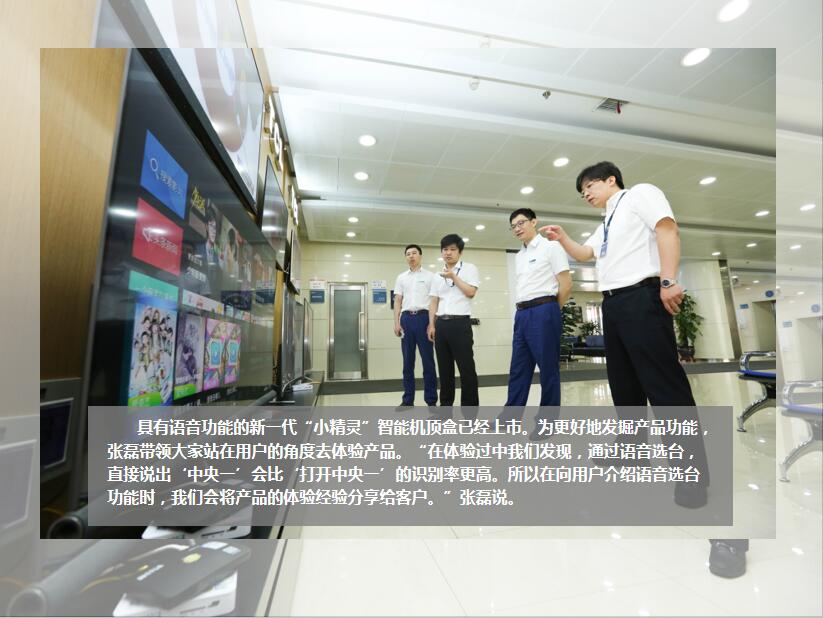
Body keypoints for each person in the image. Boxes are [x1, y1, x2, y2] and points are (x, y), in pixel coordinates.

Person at [541, 160, 747, 578]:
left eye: (589, 185)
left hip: (643, 297)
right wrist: (563, 238)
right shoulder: (606, 220)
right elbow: (586, 254)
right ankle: (631, 454)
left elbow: (667, 229)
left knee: (665, 389)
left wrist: (668, 280)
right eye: (581, 192)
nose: (586, 194)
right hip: (614, 304)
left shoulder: (640, 195)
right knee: (625, 387)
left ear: (611, 180)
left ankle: (691, 477)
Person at [502, 208, 571, 438]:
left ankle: (547, 423)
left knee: (548, 370)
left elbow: (566, 284)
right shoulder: (519, 256)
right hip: (522, 314)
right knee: (518, 369)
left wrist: (551, 310)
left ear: (534, 222)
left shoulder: (551, 247)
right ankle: (509, 418)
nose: (517, 228)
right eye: (513, 226)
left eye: (521, 223)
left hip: (544, 310)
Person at [427, 234, 480, 407]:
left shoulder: (469, 268)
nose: (448, 253)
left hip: (460, 323)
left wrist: (453, 277)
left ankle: (470, 413)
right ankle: (445, 411)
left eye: (452, 249)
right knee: (444, 371)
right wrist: (431, 324)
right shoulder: (437, 275)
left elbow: (470, 292)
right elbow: (434, 301)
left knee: (466, 369)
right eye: (445, 249)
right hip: (441, 325)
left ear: (460, 252)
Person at [393, 244, 438, 410]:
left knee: (428, 362)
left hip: (424, 319)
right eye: (408, 254)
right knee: (407, 362)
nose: (411, 256)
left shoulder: (431, 276)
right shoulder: (401, 277)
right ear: (405, 257)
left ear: (420, 256)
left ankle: (431, 401)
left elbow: (434, 301)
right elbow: (398, 300)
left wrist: (432, 324)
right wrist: (396, 322)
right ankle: (408, 400)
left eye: (414, 253)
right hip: (406, 319)